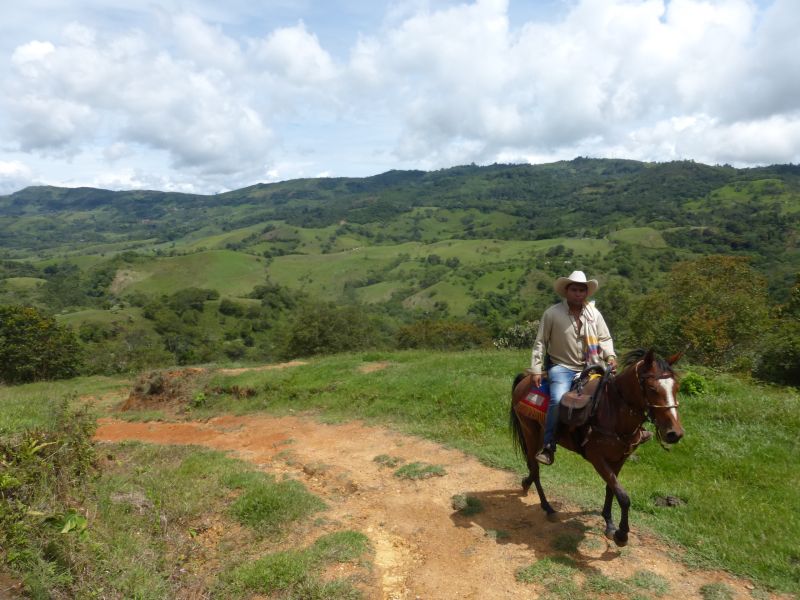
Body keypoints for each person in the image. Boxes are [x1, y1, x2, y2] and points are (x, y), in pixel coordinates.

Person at [528, 270, 618, 466]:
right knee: (557, 399)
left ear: (587, 293)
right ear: (566, 291)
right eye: (575, 290)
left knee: (612, 392)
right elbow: (540, 342)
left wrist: (610, 356)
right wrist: (536, 368)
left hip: (591, 366)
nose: (578, 294)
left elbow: (604, 338)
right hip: (562, 366)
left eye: (582, 290)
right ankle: (549, 445)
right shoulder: (552, 314)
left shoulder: (594, 314)